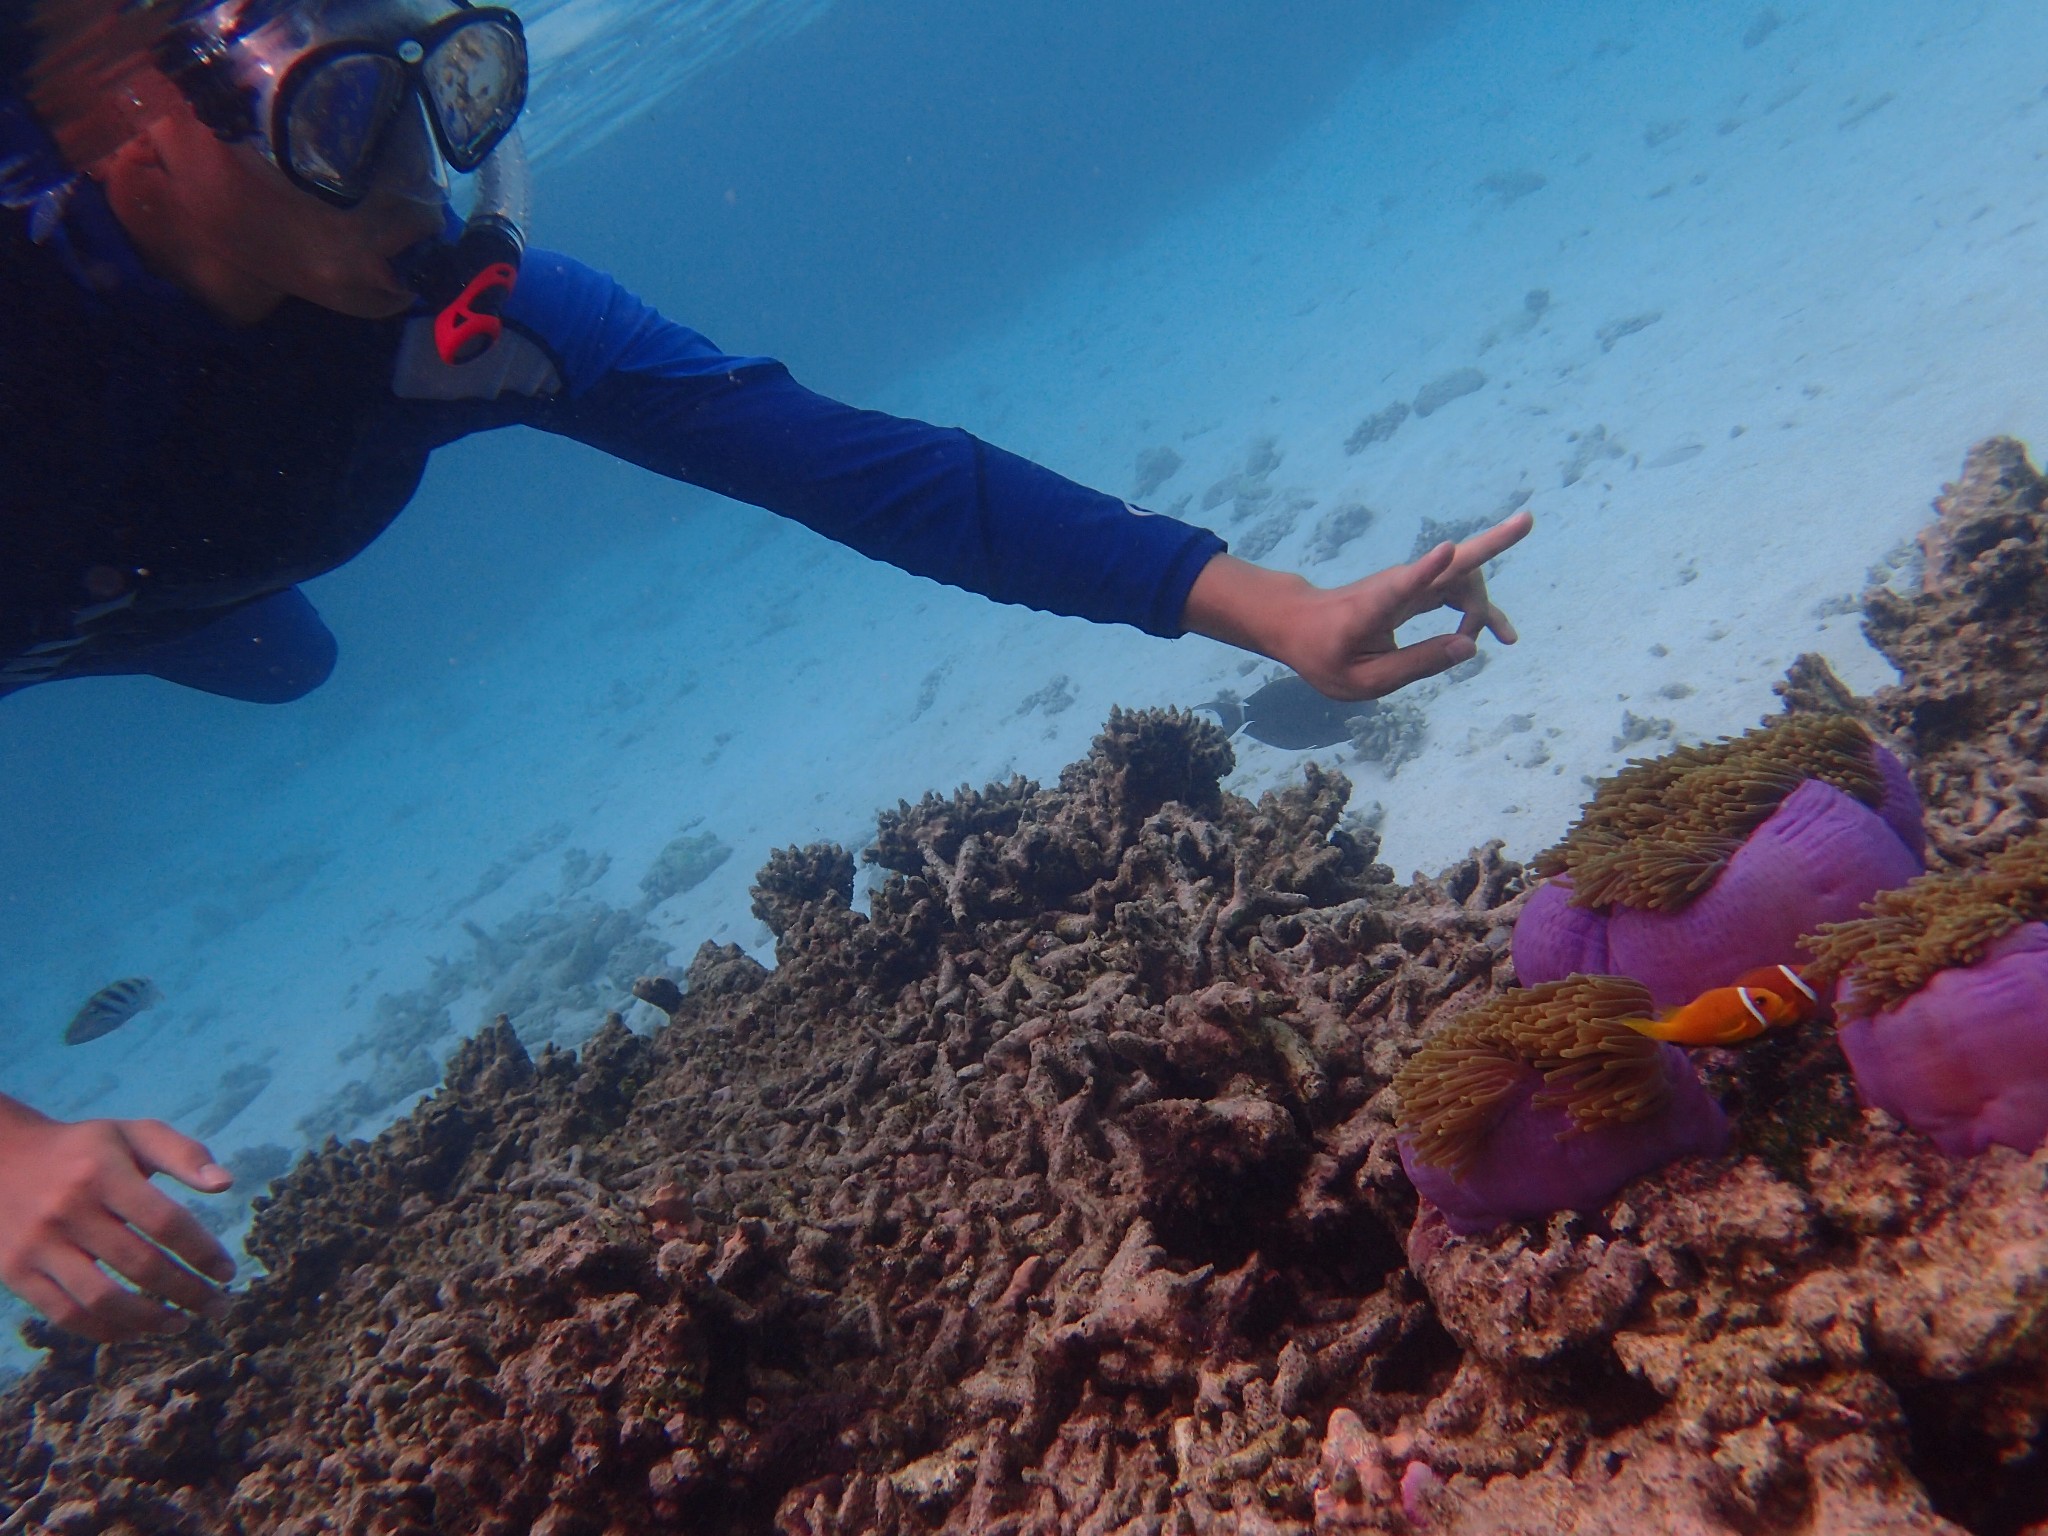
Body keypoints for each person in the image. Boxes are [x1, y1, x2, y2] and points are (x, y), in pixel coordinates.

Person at [0, 0, 1533, 1344]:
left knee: (284, 664)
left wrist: (1277, 612)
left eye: (447, 97)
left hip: (206, 601)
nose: (415, 177)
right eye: (339, 116)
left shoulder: (473, 318)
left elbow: (861, 469)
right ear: (137, 129)